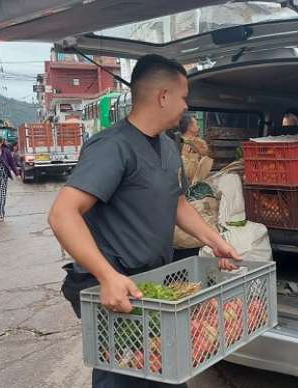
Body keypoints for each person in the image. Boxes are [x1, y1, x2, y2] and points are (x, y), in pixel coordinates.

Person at [48, 54, 241, 388]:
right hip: (117, 289)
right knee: (124, 374)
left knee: (166, 368)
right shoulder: (112, 146)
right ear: (163, 96)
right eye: (183, 97)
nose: (186, 107)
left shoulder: (168, 147)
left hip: (155, 283)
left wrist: (215, 241)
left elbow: (177, 202)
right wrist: (107, 276)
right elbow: (63, 214)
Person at [178, 114, 213, 185]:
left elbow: (207, 158)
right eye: (197, 124)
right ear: (190, 127)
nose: (199, 127)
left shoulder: (200, 143)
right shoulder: (177, 142)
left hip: (196, 183)